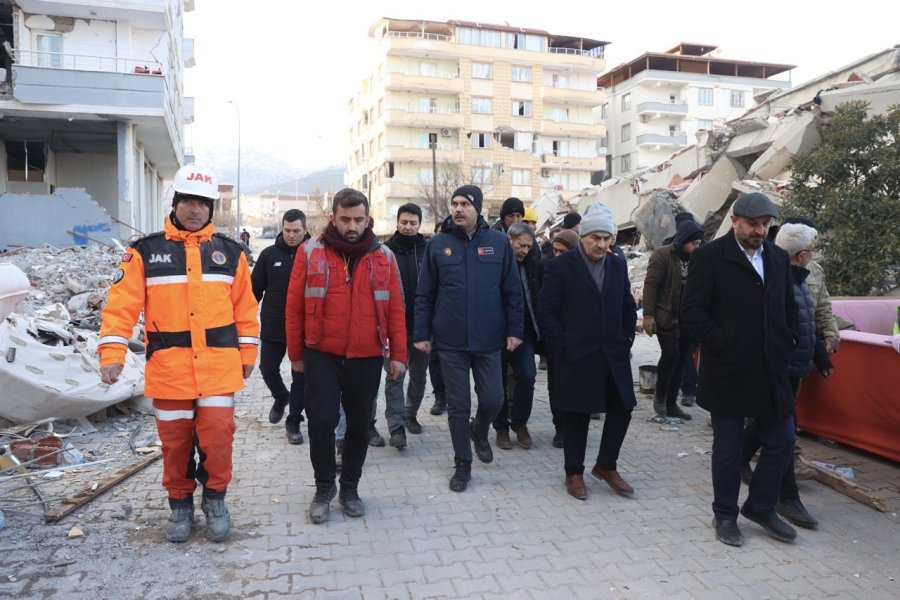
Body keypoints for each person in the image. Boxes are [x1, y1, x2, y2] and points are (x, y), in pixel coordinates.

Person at [99, 163, 259, 543]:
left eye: (202, 203)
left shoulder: (231, 254)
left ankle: (216, 499)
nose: (195, 209)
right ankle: (180, 505)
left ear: (211, 209)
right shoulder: (144, 253)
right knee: (175, 443)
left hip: (219, 370)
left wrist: (248, 355)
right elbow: (121, 307)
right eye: (188, 200)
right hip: (169, 370)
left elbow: (246, 311)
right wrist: (112, 353)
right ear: (175, 203)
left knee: (218, 439)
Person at [681, 192, 799, 547]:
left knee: (783, 439)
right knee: (729, 450)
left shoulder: (778, 258)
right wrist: (724, 343)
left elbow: (788, 307)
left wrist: (787, 340)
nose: (760, 230)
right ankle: (725, 515)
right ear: (734, 221)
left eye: (765, 224)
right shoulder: (709, 257)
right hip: (728, 370)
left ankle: (761, 506)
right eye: (753, 223)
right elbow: (692, 313)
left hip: (770, 369)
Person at [285, 188, 407, 524]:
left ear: (368, 219)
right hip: (320, 353)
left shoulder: (384, 257)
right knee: (322, 421)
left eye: (358, 219)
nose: (352, 225)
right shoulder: (310, 252)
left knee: (358, 425)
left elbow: (396, 308)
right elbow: (293, 307)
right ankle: (324, 487)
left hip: (366, 355)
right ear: (333, 218)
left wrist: (398, 353)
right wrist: (295, 354)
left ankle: (349, 488)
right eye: (345, 219)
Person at [414, 185, 524, 492]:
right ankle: (462, 464)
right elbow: (425, 294)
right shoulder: (438, 244)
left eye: (465, 204)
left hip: (489, 339)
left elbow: (513, 291)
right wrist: (422, 334)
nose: (458, 209)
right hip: (450, 341)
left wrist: (515, 330)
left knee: (493, 398)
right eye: (454, 204)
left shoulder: (499, 243)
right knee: (458, 405)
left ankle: (479, 430)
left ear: (477, 208)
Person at [538, 202, 638, 503]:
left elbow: (626, 306)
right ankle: (574, 472)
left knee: (623, 407)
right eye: (596, 237)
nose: (602, 244)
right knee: (576, 415)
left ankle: (606, 465)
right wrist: (562, 347)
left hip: (613, 353)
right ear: (582, 236)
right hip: (577, 354)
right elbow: (547, 311)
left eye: (607, 238)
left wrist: (626, 339)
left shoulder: (618, 264)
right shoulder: (559, 267)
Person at [741, 223, 833, 529]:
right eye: (812, 248)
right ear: (801, 253)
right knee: (782, 435)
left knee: (773, 427)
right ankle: (783, 497)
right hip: (778, 370)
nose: (813, 254)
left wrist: (819, 354)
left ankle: (745, 468)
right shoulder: (774, 280)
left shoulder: (802, 278)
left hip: (794, 368)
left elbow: (811, 320)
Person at [252, 209, 310, 445]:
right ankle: (280, 396)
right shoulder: (268, 255)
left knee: (301, 377)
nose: (291, 235)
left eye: (296, 231)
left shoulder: (314, 254)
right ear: (282, 228)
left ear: (305, 230)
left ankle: (294, 420)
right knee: (267, 369)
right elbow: (253, 293)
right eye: (287, 230)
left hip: (304, 329)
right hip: (273, 327)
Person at [641, 219, 703, 421]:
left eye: (698, 243)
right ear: (683, 240)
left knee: (683, 359)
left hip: (688, 319)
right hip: (666, 316)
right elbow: (651, 286)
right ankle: (660, 397)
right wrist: (649, 315)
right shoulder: (663, 255)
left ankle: (671, 403)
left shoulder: (697, 258)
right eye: (693, 243)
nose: (696, 247)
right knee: (671, 354)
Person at [380, 203, 429, 448]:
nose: (408, 227)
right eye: (404, 222)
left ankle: (410, 414)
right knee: (395, 376)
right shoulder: (385, 251)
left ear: (420, 224)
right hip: (394, 327)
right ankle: (396, 426)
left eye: (413, 223)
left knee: (419, 376)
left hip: (422, 327)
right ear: (397, 222)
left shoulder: (429, 250)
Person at [493, 223, 542, 450]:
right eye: (521, 245)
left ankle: (520, 423)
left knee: (527, 376)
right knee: (497, 383)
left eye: (528, 247)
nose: (525, 250)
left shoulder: (531, 264)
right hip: (496, 335)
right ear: (509, 240)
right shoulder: (495, 263)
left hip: (524, 333)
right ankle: (501, 427)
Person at [540, 229, 581, 446]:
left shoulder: (585, 271)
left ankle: (575, 426)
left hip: (581, 340)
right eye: (555, 250)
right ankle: (560, 428)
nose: (557, 255)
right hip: (557, 340)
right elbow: (546, 308)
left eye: (562, 251)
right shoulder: (551, 268)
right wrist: (556, 339)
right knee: (556, 386)